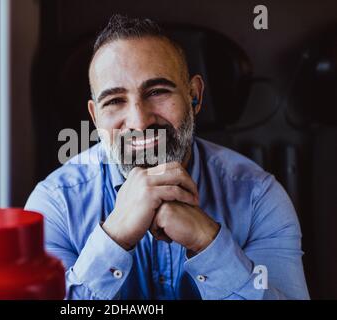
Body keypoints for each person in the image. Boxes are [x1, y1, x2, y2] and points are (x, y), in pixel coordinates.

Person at [25, 14, 309, 300]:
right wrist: (114, 238)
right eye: (114, 101)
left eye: (157, 92)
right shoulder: (55, 204)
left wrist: (208, 242)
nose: (139, 122)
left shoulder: (258, 197)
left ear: (194, 97)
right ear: (95, 117)